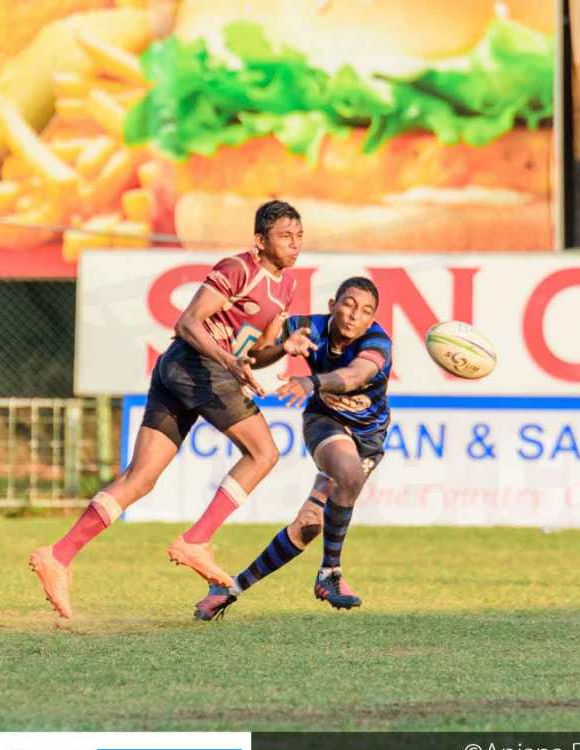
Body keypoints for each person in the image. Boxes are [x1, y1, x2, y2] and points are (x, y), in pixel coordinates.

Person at [30, 200, 317, 618]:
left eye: (299, 236)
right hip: (197, 365)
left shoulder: (286, 286)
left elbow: (256, 353)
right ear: (260, 240)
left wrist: (284, 348)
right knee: (264, 453)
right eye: (285, 236)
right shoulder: (239, 268)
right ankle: (196, 540)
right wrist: (228, 361)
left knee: (140, 479)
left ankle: (57, 555)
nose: (294, 243)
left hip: (186, 370)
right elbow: (188, 322)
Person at [191, 276, 392, 620]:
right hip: (325, 422)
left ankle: (230, 589)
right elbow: (256, 354)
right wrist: (282, 346)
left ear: (372, 318)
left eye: (365, 311)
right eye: (348, 305)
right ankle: (330, 573)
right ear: (333, 306)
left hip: (368, 439)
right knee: (349, 474)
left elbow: (355, 376)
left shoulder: (377, 342)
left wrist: (311, 381)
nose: (354, 315)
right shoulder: (308, 327)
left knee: (309, 525)